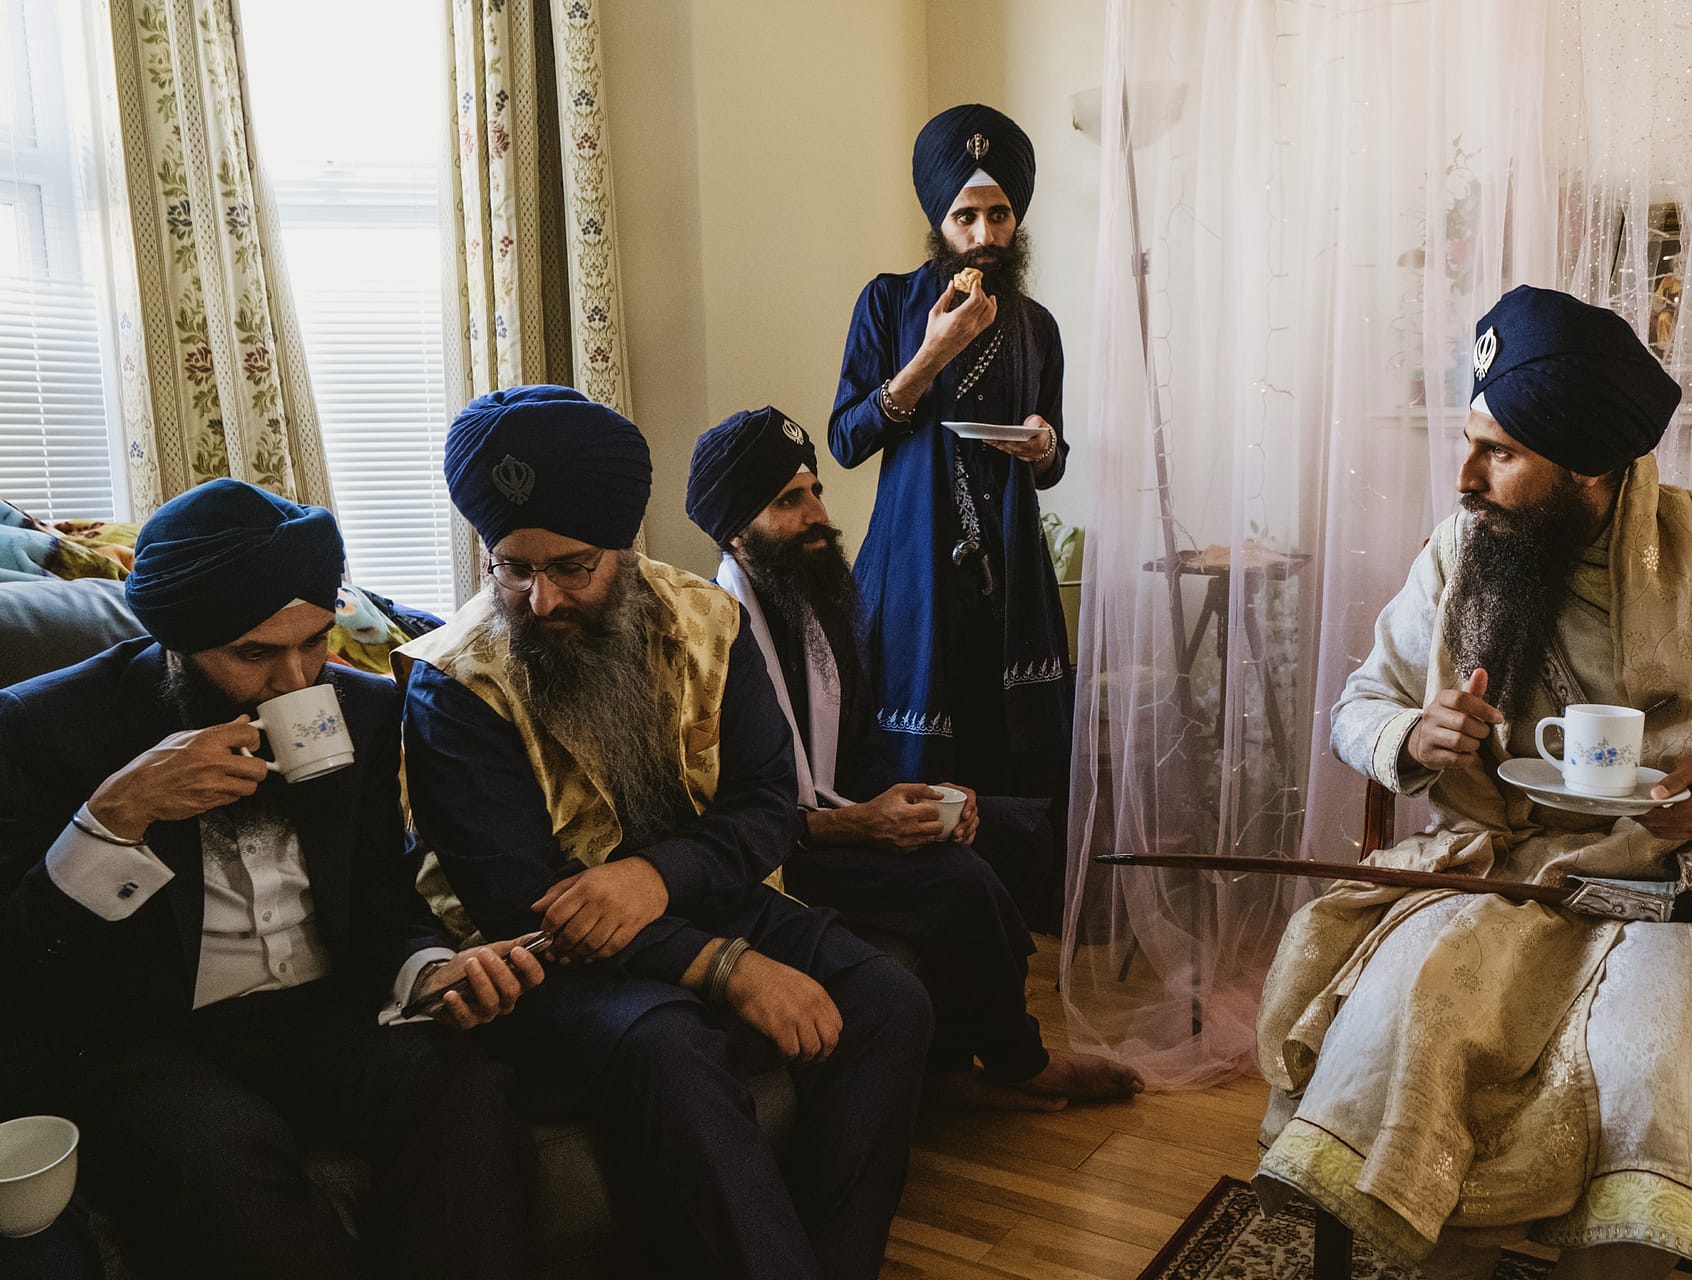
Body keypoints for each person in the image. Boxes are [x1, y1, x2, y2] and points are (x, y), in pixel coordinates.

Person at [1254, 286, 1692, 1280]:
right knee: (1407, 1020)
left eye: (1499, 453)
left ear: (1590, 469)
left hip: (1686, 894)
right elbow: (1360, 702)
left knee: (1653, 1069)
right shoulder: (1462, 551)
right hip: (1497, 873)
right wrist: (1413, 732)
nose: (1464, 478)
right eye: (1469, 442)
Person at [398, 385, 933, 1280]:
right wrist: (726, 967)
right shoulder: (454, 681)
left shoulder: (707, 622)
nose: (540, 599)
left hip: (698, 894)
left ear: (623, 547)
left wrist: (654, 879)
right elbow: (515, 897)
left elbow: (766, 803)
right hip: (542, 951)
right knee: (669, 1046)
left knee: (891, 1001)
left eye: (571, 568)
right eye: (511, 569)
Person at [0, 478, 545, 1280]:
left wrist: (429, 970)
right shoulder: (46, 725)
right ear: (177, 642)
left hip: (323, 1015)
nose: (297, 682)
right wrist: (113, 817)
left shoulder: (361, 707)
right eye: (255, 654)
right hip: (149, 1039)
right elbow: (23, 961)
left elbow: (378, 890)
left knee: (464, 1095)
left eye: (315, 641)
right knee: (216, 1157)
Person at [687, 405, 1143, 1110]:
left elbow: (861, 755)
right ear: (735, 533)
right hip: (773, 859)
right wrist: (856, 825)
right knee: (957, 879)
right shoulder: (703, 647)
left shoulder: (820, 608)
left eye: (815, 492)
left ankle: (950, 1061)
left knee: (1020, 828)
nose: (819, 515)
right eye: (788, 501)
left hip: (827, 823)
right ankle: (1020, 1062)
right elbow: (720, 820)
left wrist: (924, 797)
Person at [829, 103, 1073, 814]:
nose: (984, 236)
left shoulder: (1037, 326)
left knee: (1012, 774)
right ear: (939, 221)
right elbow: (846, 440)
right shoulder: (889, 303)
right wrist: (931, 354)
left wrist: (1043, 446)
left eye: (999, 215)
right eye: (966, 217)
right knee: (917, 775)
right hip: (913, 574)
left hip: (1011, 580)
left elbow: (1052, 460)